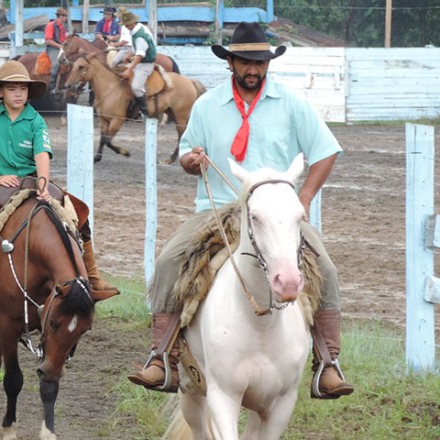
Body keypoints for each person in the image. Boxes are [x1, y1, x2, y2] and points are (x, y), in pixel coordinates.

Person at [126, 22, 354, 400]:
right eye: (245, 62)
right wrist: (191, 160)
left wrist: (305, 198)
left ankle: (327, 364)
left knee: (324, 268)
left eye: (260, 62)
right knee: (169, 261)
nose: (253, 69)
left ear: (268, 64)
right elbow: (187, 151)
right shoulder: (206, 105)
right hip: (217, 208)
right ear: (230, 62)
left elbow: (326, 150)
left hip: (276, 212)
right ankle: (161, 356)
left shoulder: (291, 103)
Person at [0, 60, 119, 320]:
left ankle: (93, 278)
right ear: (0, 93)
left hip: (31, 181)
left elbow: (42, 153)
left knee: (78, 214)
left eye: (23, 89)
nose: (18, 94)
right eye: (12, 89)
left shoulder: (35, 120)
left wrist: (43, 185)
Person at [116, 9, 157, 119]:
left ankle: (145, 111)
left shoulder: (139, 36)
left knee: (136, 87)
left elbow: (140, 55)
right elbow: (136, 50)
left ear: (132, 23)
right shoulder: (139, 28)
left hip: (145, 64)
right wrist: (128, 55)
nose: (125, 27)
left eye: (127, 24)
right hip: (141, 60)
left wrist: (130, 69)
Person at [44, 7, 68, 93]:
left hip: (61, 48)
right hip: (52, 48)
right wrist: (60, 46)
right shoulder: (50, 25)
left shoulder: (63, 27)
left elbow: (64, 39)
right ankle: (52, 87)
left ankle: (63, 85)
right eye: (64, 16)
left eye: (66, 16)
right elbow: (48, 40)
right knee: (56, 64)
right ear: (60, 16)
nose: (66, 18)